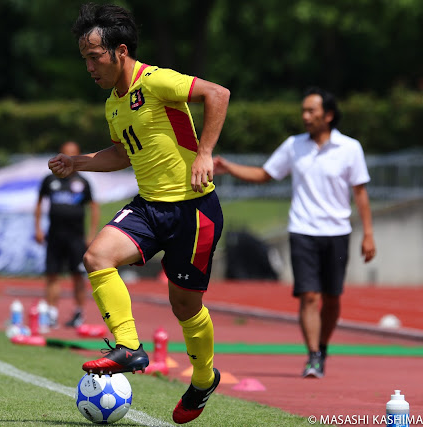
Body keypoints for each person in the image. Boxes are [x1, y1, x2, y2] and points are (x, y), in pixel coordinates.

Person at [49, 4, 230, 424]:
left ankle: (204, 379)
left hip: (193, 211)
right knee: (97, 256)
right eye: (84, 59)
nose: (89, 67)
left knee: (185, 307)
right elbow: (121, 154)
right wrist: (78, 162)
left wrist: (204, 153)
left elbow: (217, 94)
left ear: (120, 51)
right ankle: (128, 346)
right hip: (149, 207)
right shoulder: (113, 104)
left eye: (95, 57)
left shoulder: (156, 81)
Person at [213, 86, 376, 379]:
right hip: (302, 230)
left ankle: (322, 347)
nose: (305, 116)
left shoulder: (350, 148)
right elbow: (265, 174)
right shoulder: (293, 145)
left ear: (328, 115)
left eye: (311, 111)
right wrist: (228, 167)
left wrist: (368, 234)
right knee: (309, 296)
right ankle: (313, 355)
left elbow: (361, 193)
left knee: (332, 298)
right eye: (303, 111)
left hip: (337, 232)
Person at [35, 141, 100, 328]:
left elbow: (94, 207)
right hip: (54, 236)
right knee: (52, 275)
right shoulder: (49, 180)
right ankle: (51, 314)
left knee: (78, 275)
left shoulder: (83, 182)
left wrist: (91, 234)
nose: (68, 158)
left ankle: (79, 313)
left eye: (73, 155)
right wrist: (38, 228)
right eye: (65, 154)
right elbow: (39, 203)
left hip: (76, 237)